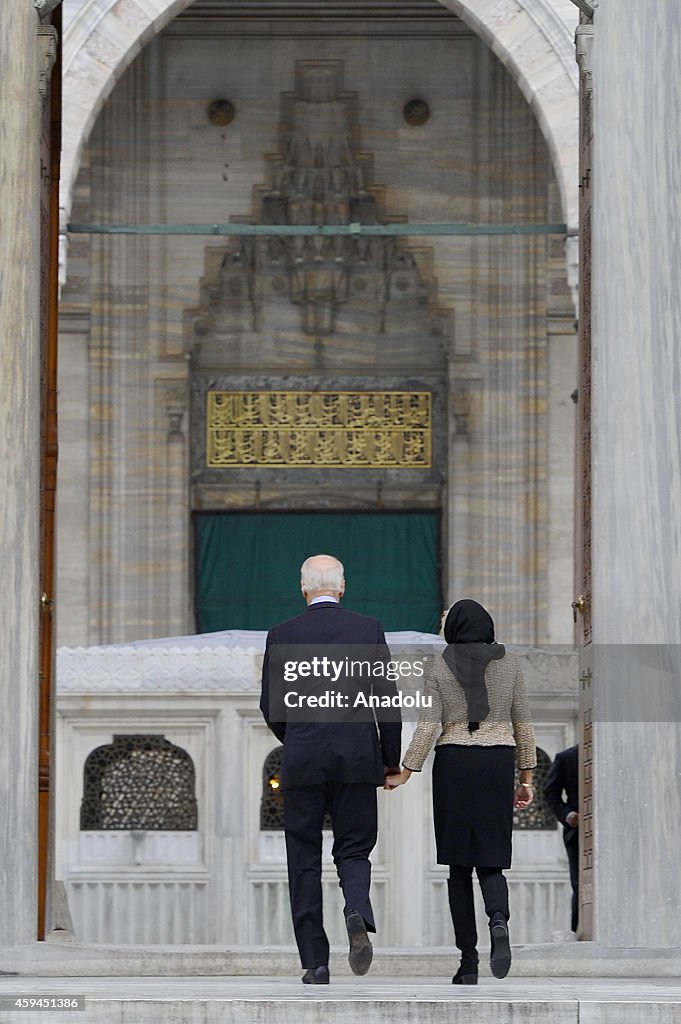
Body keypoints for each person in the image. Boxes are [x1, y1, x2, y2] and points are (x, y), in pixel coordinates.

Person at [260, 554, 401, 985]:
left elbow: (270, 704)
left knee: (303, 858)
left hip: (303, 760)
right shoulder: (368, 629)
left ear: (303, 589)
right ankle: (356, 907)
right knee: (354, 849)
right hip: (358, 758)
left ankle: (315, 963)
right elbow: (387, 701)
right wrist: (389, 762)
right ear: (342, 587)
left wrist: (299, 738)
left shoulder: (282, 634)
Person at [385, 599, 536, 984]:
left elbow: (427, 724)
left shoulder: (439, 665)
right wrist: (526, 779)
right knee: (491, 860)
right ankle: (498, 921)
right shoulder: (511, 664)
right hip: (497, 763)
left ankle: (468, 962)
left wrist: (406, 771)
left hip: (454, 764)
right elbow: (524, 724)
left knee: (458, 867)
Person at [544, 744, 579, 932]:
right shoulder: (567, 757)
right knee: (580, 885)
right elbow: (551, 794)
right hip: (579, 831)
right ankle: (581, 933)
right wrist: (568, 815)